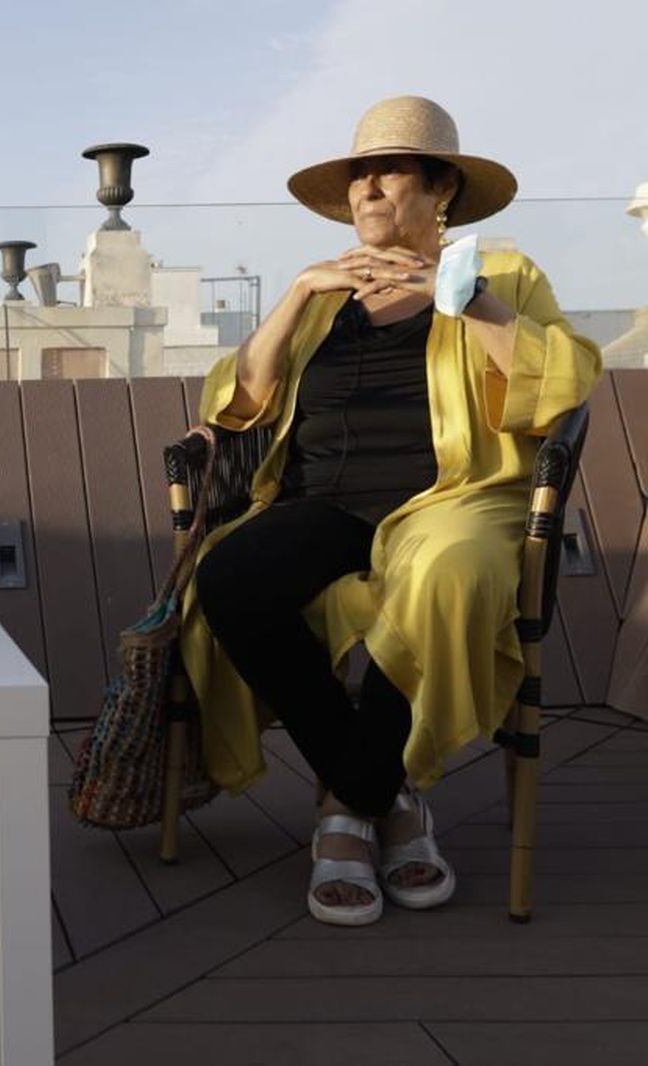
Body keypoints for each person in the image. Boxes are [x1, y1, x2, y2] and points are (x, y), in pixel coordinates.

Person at [179, 96, 600, 927]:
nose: (366, 189)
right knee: (230, 576)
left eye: (389, 171)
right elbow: (238, 401)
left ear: (442, 188)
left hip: (452, 496)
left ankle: (347, 810)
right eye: (358, 175)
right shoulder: (326, 297)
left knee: (449, 571)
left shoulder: (503, 275)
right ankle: (389, 799)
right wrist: (298, 291)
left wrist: (467, 300)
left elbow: (564, 385)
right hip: (323, 500)